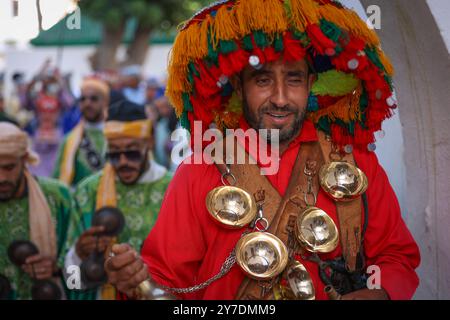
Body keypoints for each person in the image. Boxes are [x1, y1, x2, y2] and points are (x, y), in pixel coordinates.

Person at [105, 0, 420, 300]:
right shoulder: (199, 171)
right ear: (240, 87)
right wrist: (137, 281)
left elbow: (396, 256)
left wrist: (381, 291)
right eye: (263, 79)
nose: (280, 99)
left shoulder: (357, 163)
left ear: (311, 84)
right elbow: (165, 282)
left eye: (294, 79)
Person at [64, 100, 172, 300]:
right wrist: (79, 253)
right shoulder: (87, 192)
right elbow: (72, 282)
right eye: (114, 154)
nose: (122, 162)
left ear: (149, 142)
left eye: (131, 152)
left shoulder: (174, 188)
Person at [0, 122, 73, 299]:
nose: (1, 178)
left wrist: (57, 268)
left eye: (9, 167)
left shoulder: (58, 197)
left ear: (25, 160)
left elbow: (82, 277)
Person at [53, 78, 110, 187]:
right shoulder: (69, 140)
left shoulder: (116, 135)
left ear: (105, 102)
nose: (87, 103)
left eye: (94, 99)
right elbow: (57, 181)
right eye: (83, 99)